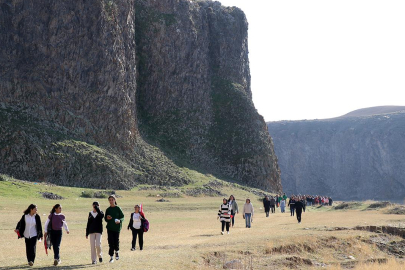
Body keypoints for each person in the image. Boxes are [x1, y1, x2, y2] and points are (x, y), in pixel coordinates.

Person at [105, 195, 124, 263]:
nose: (111, 201)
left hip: (116, 228)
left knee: (116, 241)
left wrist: (120, 221)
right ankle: (111, 257)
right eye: (110, 200)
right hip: (110, 228)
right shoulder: (108, 209)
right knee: (110, 242)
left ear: (115, 200)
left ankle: (117, 251)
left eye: (112, 200)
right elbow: (105, 219)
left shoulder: (118, 208)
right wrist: (107, 218)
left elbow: (122, 217)